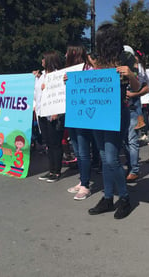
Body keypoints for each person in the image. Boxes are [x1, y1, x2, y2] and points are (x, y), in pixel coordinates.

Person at [88, 23, 140, 219]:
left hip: (117, 112)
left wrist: (130, 74)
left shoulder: (126, 57)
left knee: (111, 158)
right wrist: (71, 81)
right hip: (98, 113)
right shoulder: (96, 58)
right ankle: (108, 197)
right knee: (104, 158)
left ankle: (125, 198)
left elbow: (136, 86)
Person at [64, 44, 96, 200]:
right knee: (77, 149)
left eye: (67, 52)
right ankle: (82, 179)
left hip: (83, 115)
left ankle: (85, 185)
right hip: (72, 114)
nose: (64, 55)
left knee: (83, 151)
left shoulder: (88, 69)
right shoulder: (68, 71)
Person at [37, 51, 66, 183]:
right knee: (48, 143)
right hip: (42, 112)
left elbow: (61, 94)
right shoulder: (42, 75)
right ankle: (50, 170)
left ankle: (57, 171)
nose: (42, 61)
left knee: (55, 143)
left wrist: (57, 111)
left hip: (53, 113)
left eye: (44, 59)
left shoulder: (58, 75)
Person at [124, 47, 149, 183]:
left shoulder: (139, 69)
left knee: (132, 140)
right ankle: (130, 167)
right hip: (121, 108)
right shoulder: (116, 66)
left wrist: (134, 94)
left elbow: (146, 87)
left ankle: (134, 170)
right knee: (124, 141)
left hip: (133, 108)